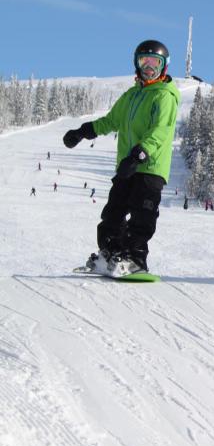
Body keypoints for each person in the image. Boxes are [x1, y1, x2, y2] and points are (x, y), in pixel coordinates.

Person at [62, 39, 180, 275]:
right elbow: (111, 121)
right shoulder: (131, 95)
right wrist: (83, 132)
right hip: (128, 167)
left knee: (141, 214)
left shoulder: (165, 96)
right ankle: (111, 253)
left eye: (154, 63)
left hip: (149, 167)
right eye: (144, 62)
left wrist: (139, 153)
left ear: (164, 66)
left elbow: (161, 131)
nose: (149, 68)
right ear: (136, 64)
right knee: (112, 212)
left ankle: (135, 259)